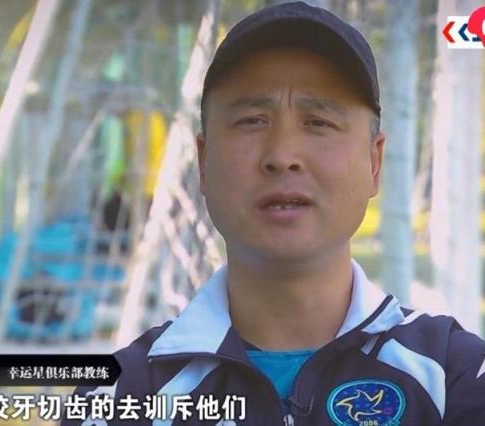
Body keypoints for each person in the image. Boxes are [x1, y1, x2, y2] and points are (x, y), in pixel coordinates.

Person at [65, 2, 485, 425]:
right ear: (204, 162)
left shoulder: (455, 377)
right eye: (252, 120)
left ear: (374, 163)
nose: (282, 155)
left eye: (318, 122)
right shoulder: (120, 398)